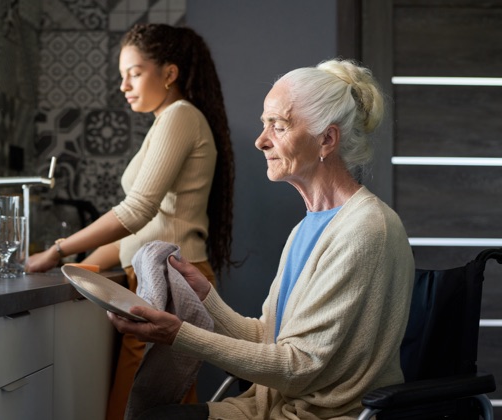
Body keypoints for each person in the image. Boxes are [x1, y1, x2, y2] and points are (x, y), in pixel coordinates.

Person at [108, 58, 416, 420]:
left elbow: (300, 365)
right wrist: (206, 299)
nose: (261, 140)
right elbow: (269, 339)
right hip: (270, 407)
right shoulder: (307, 228)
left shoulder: (367, 229)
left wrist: (180, 334)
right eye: (263, 124)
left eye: (279, 126)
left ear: (327, 139)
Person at [25, 23, 235, 420]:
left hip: (172, 281)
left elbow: (136, 211)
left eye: (134, 73)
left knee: (138, 407)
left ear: (169, 73)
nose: (124, 86)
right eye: (122, 75)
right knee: (161, 407)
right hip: (159, 279)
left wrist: (55, 253)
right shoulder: (167, 121)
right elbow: (140, 230)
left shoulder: (180, 117)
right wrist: (82, 265)